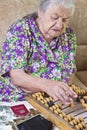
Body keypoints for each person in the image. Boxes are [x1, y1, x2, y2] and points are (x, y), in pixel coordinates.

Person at [0, 0, 77, 104]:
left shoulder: (69, 35)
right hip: (19, 99)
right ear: (41, 12)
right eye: (54, 18)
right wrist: (48, 86)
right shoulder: (21, 30)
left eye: (64, 20)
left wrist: (63, 92)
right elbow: (16, 77)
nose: (59, 25)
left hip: (52, 102)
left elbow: (70, 71)